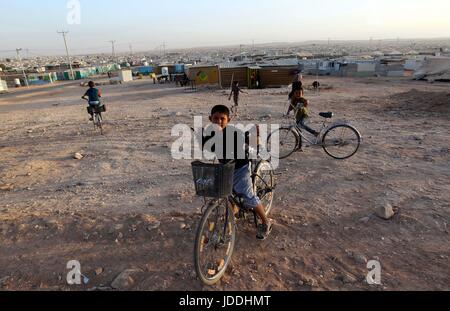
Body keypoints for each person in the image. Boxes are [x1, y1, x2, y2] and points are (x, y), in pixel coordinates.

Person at [199, 105, 274, 240]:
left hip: (241, 167)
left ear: (228, 120)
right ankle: (234, 209)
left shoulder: (234, 133)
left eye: (222, 118)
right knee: (225, 192)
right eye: (215, 118)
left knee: (247, 196)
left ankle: (265, 222)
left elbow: (246, 138)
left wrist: (253, 137)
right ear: (210, 119)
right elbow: (205, 145)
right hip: (225, 167)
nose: (219, 121)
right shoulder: (209, 133)